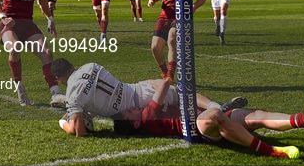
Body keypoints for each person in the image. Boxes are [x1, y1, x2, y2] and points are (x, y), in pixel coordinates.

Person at [113, 78, 304, 160]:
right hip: (196, 126)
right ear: (134, 123)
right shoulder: (147, 118)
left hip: (202, 116)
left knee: (254, 117)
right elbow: (163, 86)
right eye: (127, 113)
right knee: (213, 116)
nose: (129, 108)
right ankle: (272, 151)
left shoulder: (144, 116)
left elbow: (181, 93)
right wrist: (166, 75)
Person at [51, 58, 243, 137]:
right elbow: (95, 93)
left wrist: (64, 121)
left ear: (59, 79)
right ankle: (215, 106)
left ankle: (220, 112)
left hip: (137, 104)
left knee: (178, 103)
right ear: (71, 66)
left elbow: (79, 132)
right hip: (137, 88)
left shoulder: (73, 93)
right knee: (179, 95)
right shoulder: (90, 65)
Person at [148, 0, 206, 80]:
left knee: (172, 39)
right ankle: (164, 71)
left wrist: (194, 7)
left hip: (181, 15)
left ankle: (170, 74)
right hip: (165, 14)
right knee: (155, 47)